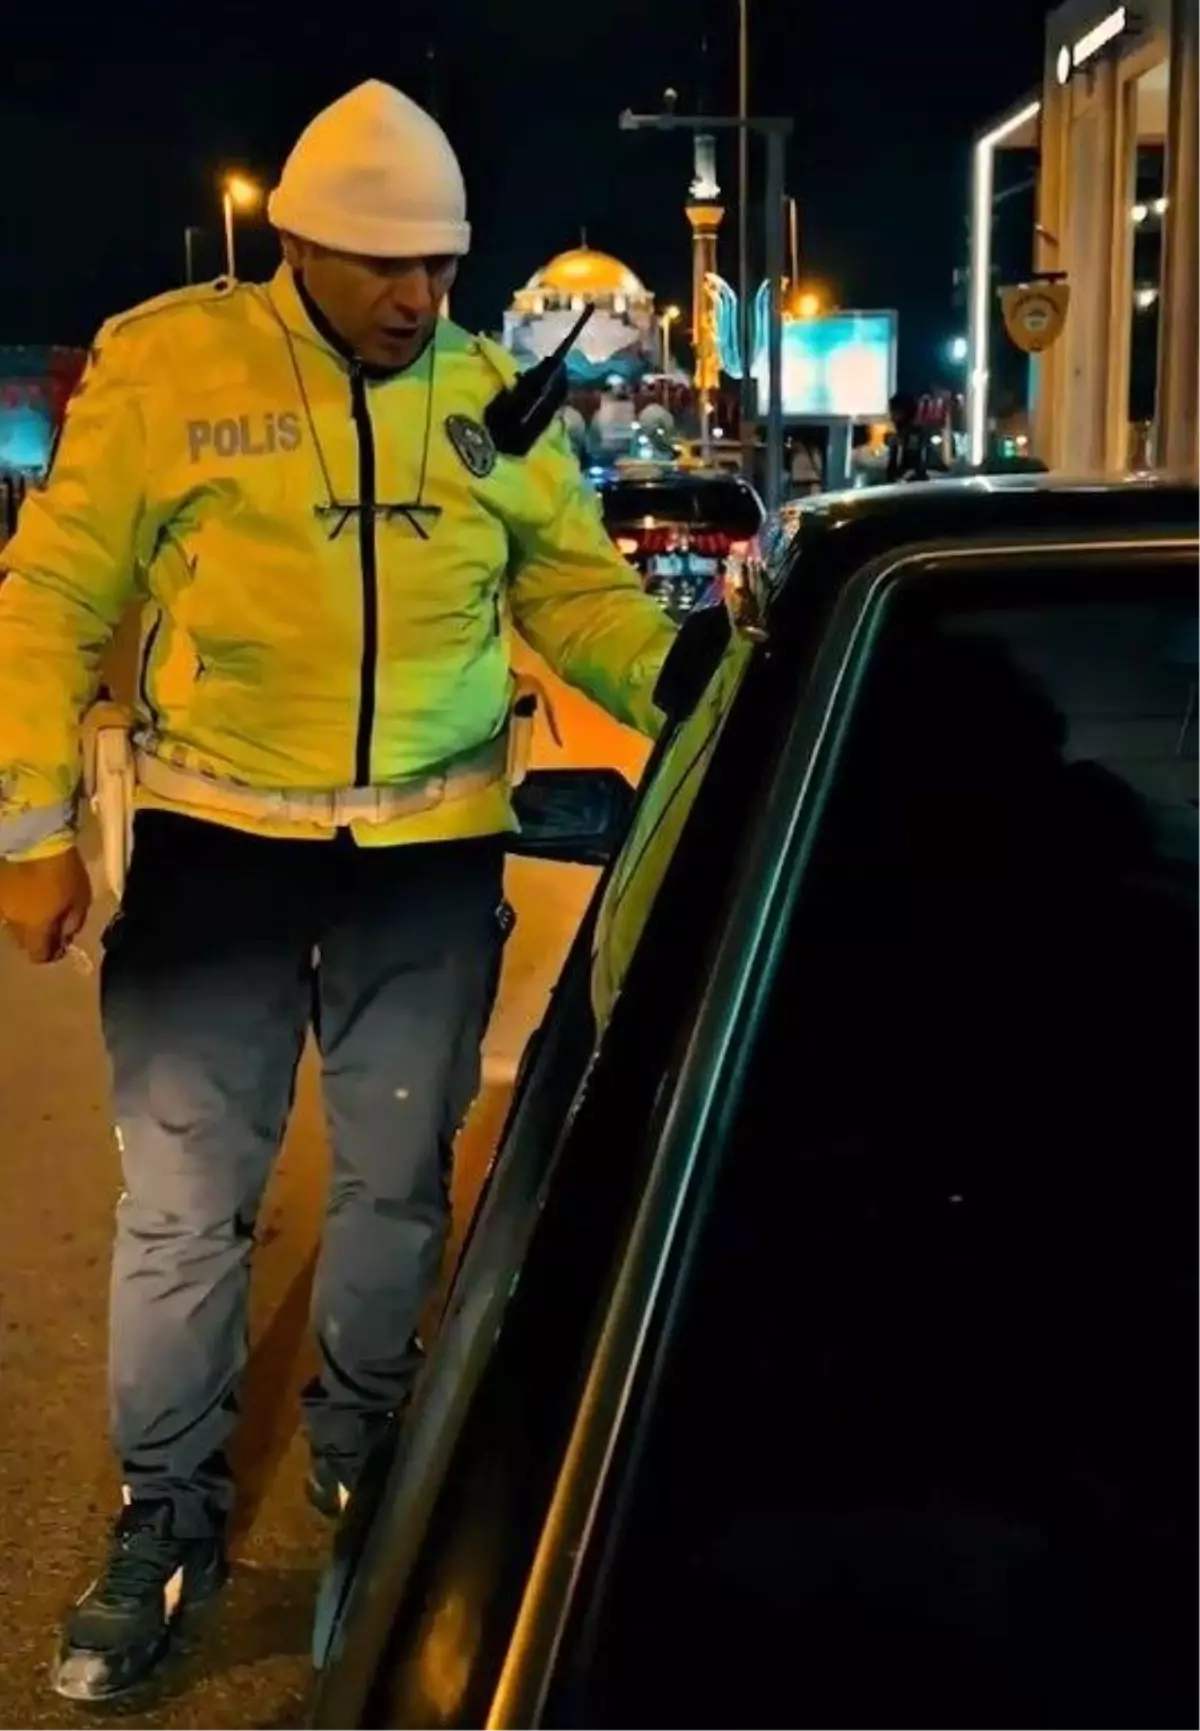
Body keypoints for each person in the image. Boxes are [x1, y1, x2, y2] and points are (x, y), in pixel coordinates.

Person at [0, 80, 677, 1702]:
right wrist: (30, 833)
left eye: (441, 265)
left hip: (427, 866)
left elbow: (578, 595)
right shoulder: (173, 368)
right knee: (184, 1210)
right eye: (386, 265)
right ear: (297, 242)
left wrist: (710, 689)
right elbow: (52, 589)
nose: (419, 298)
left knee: (397, 1188)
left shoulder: (489, 396)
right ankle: (166, 1518)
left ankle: (365, 1460)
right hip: (219, 857)